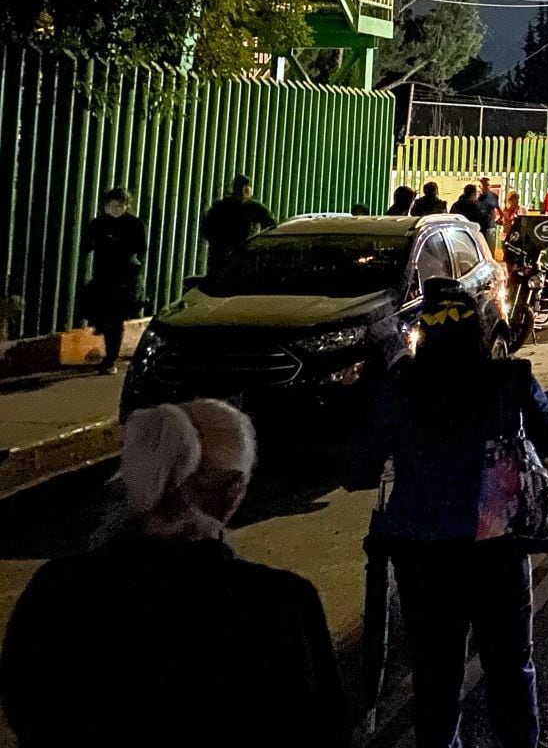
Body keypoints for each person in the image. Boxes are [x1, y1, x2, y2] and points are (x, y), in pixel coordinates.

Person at [1, 399, 348, 747]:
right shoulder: (280, 605)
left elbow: (25, 707)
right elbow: (323, 728)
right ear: (232, 494)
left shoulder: (57, 590)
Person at [354, 281, 548, 748]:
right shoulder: (512, 379)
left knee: (435, 674)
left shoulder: (401, 386)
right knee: (510, 663)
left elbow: (359, 465)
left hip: (422, 553)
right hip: (497, 545)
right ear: (479, 332)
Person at [78, 188, 144, 374]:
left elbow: (141, 248)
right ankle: (100, 327)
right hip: (103, 276)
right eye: (110, 205)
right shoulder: (98, 223)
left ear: (126, 206)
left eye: (119, 205)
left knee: (115, 320)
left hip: (124, 278)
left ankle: (110, 359)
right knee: (99, 311)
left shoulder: (134, 224)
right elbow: (86, 244)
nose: (114, 209)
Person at [199, 175, 275, 276]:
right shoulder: (252, 207)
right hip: (237, 254)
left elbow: (207, 228)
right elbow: (272, 226)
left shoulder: (220, 207)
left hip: (225, 255)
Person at [476, 177, 502, 253]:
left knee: (490, 250)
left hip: (490, 227)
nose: (486, 187)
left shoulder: (493, 196)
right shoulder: (476, 196)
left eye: (488, 185)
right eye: (484, 185)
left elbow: (498, 209)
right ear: (480, 186)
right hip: (479, 227)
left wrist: (499, 219)